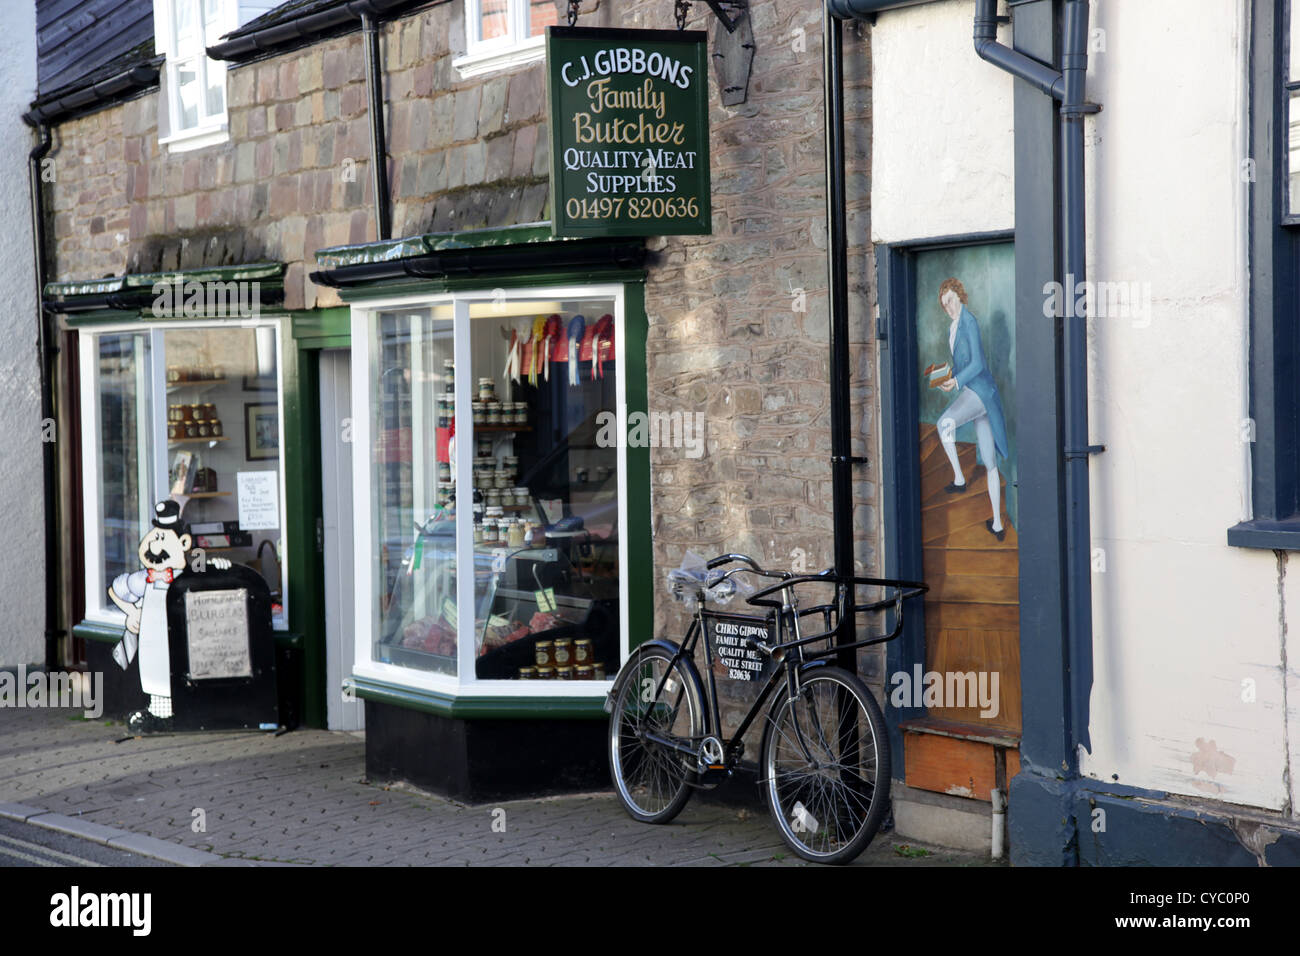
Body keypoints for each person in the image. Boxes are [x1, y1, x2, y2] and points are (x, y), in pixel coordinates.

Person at [108, 499, 228, 733]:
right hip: (154, 638)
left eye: (161, 539)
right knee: (155, 671)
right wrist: (131, 611)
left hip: (183, 635)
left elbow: (209, 573)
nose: (153, 546)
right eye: (153, 538)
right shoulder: (144, 578)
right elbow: (115, 590)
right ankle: (159, 713)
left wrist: (220, 565)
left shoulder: (191, 569)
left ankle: (187, 710)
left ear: (183, 543)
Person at [934, 278, 1010, 540]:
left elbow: (978, 363)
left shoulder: (969, 322)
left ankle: (959, 480)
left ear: (961, 297)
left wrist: (956, 381)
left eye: (952, 301)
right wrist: (947, 376)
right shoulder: (953, 327)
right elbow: (963, 363)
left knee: (944, 424)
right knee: (990, 462)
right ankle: (998, 525)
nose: (950, 308)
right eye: (945, 305)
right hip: (976, 392)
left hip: (979, 392)